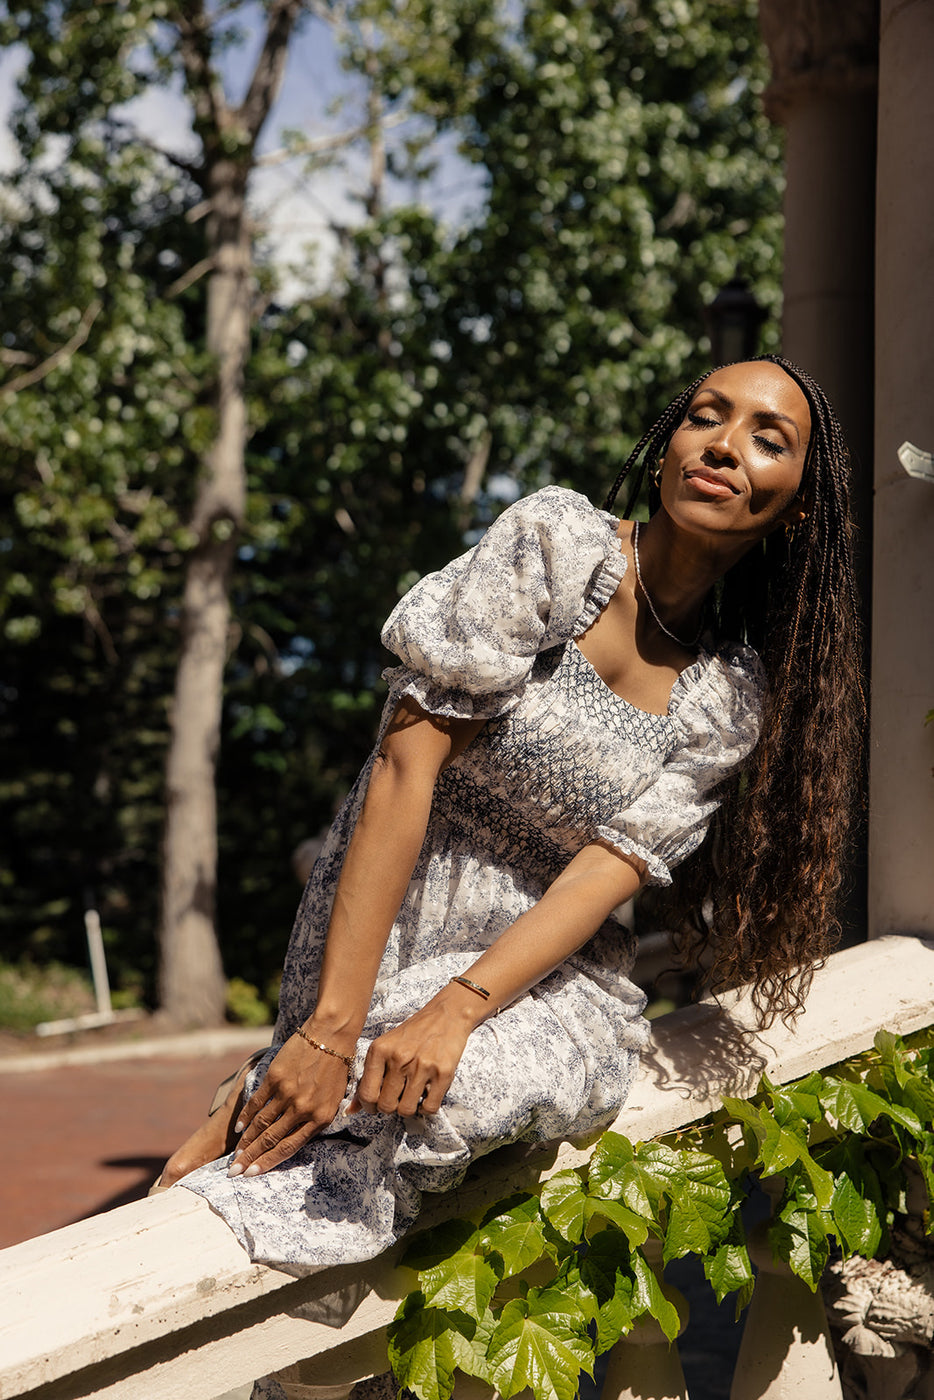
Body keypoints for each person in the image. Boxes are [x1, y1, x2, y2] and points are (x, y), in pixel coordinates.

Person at [162, 357, 863, 1289]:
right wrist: (331, 1030)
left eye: (768, 440)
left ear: (798, 506)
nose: (726, 448)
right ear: (669, 443)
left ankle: (249, 1100)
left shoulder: (729, 697)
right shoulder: (557, 546)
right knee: (328, 1112)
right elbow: (406, 769)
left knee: (465, 1093)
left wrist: (457, 1010)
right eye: (707, 417)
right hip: (388, 915)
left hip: (537, 971)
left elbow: (600, 876)